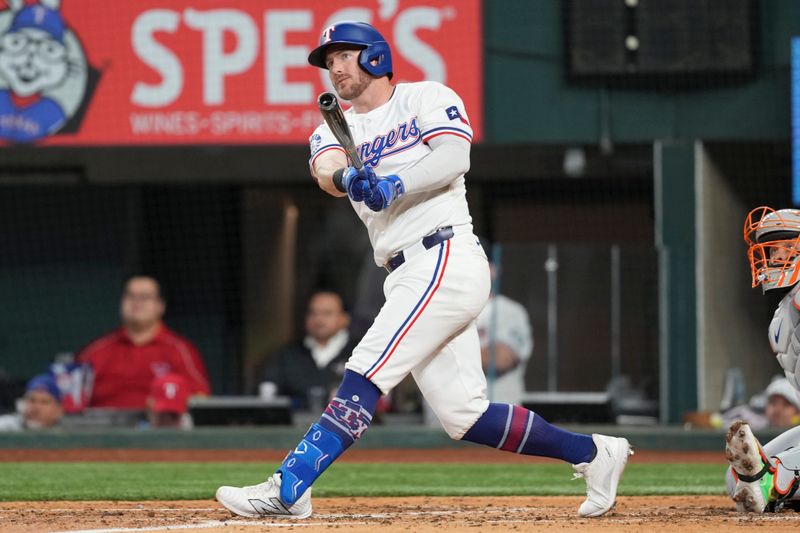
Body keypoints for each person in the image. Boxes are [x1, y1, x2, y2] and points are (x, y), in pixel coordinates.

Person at [216, 21, 631, 520]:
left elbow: (456, 156)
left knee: (366, 366)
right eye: (329, 62)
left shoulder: (425, 97)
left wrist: (395, 183)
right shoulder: (329, 129)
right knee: (464, 415)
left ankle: (290, 487)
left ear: (374, 56)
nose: (335, 68)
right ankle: (593, 454)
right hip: (404, 270)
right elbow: (326, 172)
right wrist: (351, 176)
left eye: (344, 55)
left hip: (445, 256)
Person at [726, 207, 800, 512]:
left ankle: (777, 483)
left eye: (784, 246)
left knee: (775, 472)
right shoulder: (782, 316)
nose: (774, 257)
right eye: (770, 249)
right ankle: (776, 486)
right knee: (735, 481)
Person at [77, 275, 211, 410]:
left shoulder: (179, 349)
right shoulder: (96, 350)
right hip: (100, 427)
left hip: (159, 426)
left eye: (145, 297)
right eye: (130, 296)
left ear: (160, 306)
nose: (137, 302)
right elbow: (70, 395)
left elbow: (200, 396)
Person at [261, 290, 356, 410]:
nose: (319, 319)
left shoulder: (360, 352)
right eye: (313, 313)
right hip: (296, 427)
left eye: (327, 313)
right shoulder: (286, 354)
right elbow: (267, 394)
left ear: (345, 318)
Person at [477, 260, 534, 405]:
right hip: (440, 422)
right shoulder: (437, 308)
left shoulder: (511, 311)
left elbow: (500, 359)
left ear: (492, 269)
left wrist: (446, 354)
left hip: (500, 416)